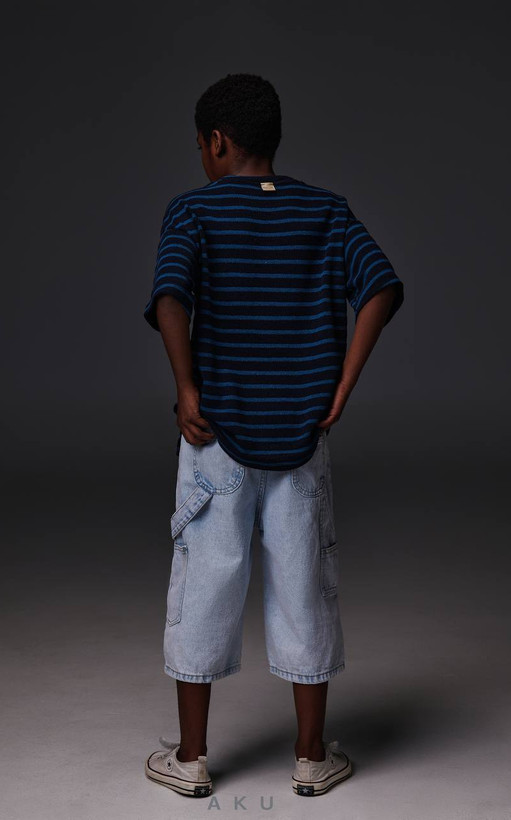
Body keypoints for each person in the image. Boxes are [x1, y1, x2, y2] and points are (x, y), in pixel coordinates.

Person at [142, 73, 404, 798]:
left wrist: (186, 387)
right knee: (303, 592)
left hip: (214, 439)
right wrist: (343, 385)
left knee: (205, 587)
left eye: (200, 145)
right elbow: (381, 286)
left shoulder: (193, 210)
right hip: (300, 441)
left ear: (216, 142)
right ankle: (312, 758)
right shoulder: (326, 211)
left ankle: (191, 760)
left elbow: (170, 295)